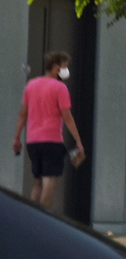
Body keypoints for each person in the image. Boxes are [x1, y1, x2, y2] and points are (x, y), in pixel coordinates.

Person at [13, 52, 85, 212]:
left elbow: (23, 114)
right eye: (65, 66)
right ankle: (44, 218)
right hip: (51, 140)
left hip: (33, 140)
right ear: (56, 68)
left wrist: (17, 137)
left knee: (37, 182)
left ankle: (32, 217)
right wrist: (78, 140)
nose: (66, 70)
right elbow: (67, 116)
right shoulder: (60, 88)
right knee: (49, 180)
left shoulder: (30, 85)